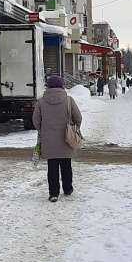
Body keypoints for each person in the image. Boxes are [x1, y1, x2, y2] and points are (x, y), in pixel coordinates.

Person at [33, 74, 83, 202]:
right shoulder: (69, 100)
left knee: (52, 167)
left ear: (48, 86)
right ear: (62, 86)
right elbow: (78, 118)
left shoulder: (41, 102)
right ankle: (67, 189)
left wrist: (43, 130)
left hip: (49, 140)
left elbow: (36, 121)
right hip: (67, 139)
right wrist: (74, 128)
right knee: (66, 165)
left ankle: (53, 193)